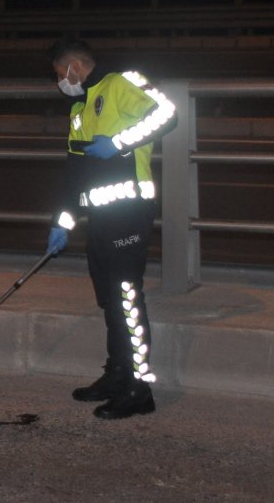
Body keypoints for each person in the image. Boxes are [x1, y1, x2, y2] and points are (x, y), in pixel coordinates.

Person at [44, 38, 177, 419]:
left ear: (73, 66)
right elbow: (74, 176)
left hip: (130, 210)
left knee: (127, 299)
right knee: (110, 299)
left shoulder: (123, 82)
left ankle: (139, 388)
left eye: (59, 74)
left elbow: (167, 114)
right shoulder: (79, 107)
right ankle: (117, 373)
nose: (60, 82)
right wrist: (61, 222)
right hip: (100, 217)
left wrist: (119, 143)